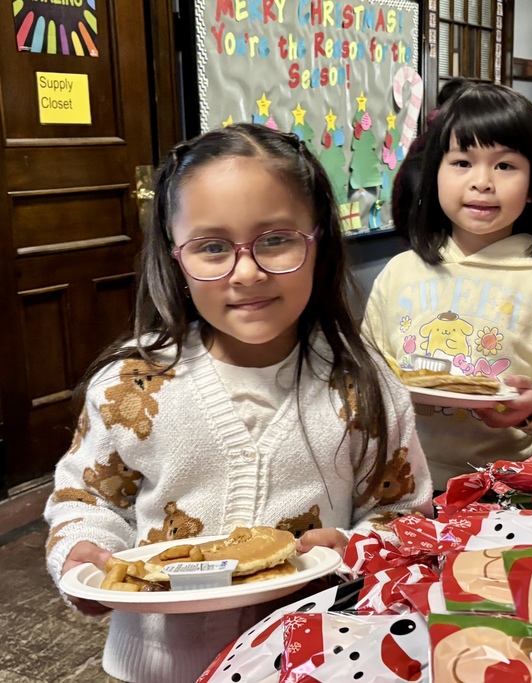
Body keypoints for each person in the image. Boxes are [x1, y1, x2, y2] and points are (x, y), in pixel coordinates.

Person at [44, 124, 433, 683]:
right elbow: (87, 498)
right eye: (211, 247)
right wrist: (83, 554)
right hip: (160, 664)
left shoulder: (364, 386)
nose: (247, 272)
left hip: (316, 657)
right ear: (176, 258)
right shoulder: (131, 384)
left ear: (318, 242)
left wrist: (353, 548)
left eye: (276, 239)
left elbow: (402, 514)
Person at [362, 83, 532, 485]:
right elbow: (368, 368)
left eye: (505, 166)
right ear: (435, 174)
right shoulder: (400, 271)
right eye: (461, 162)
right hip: (399, 479)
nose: (482, 182)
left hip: (502, 482)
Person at [392, 78, 473, 238]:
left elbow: (400, 195)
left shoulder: (423, 140)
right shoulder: (458, 137)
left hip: (422, 236)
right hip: (440, 235)